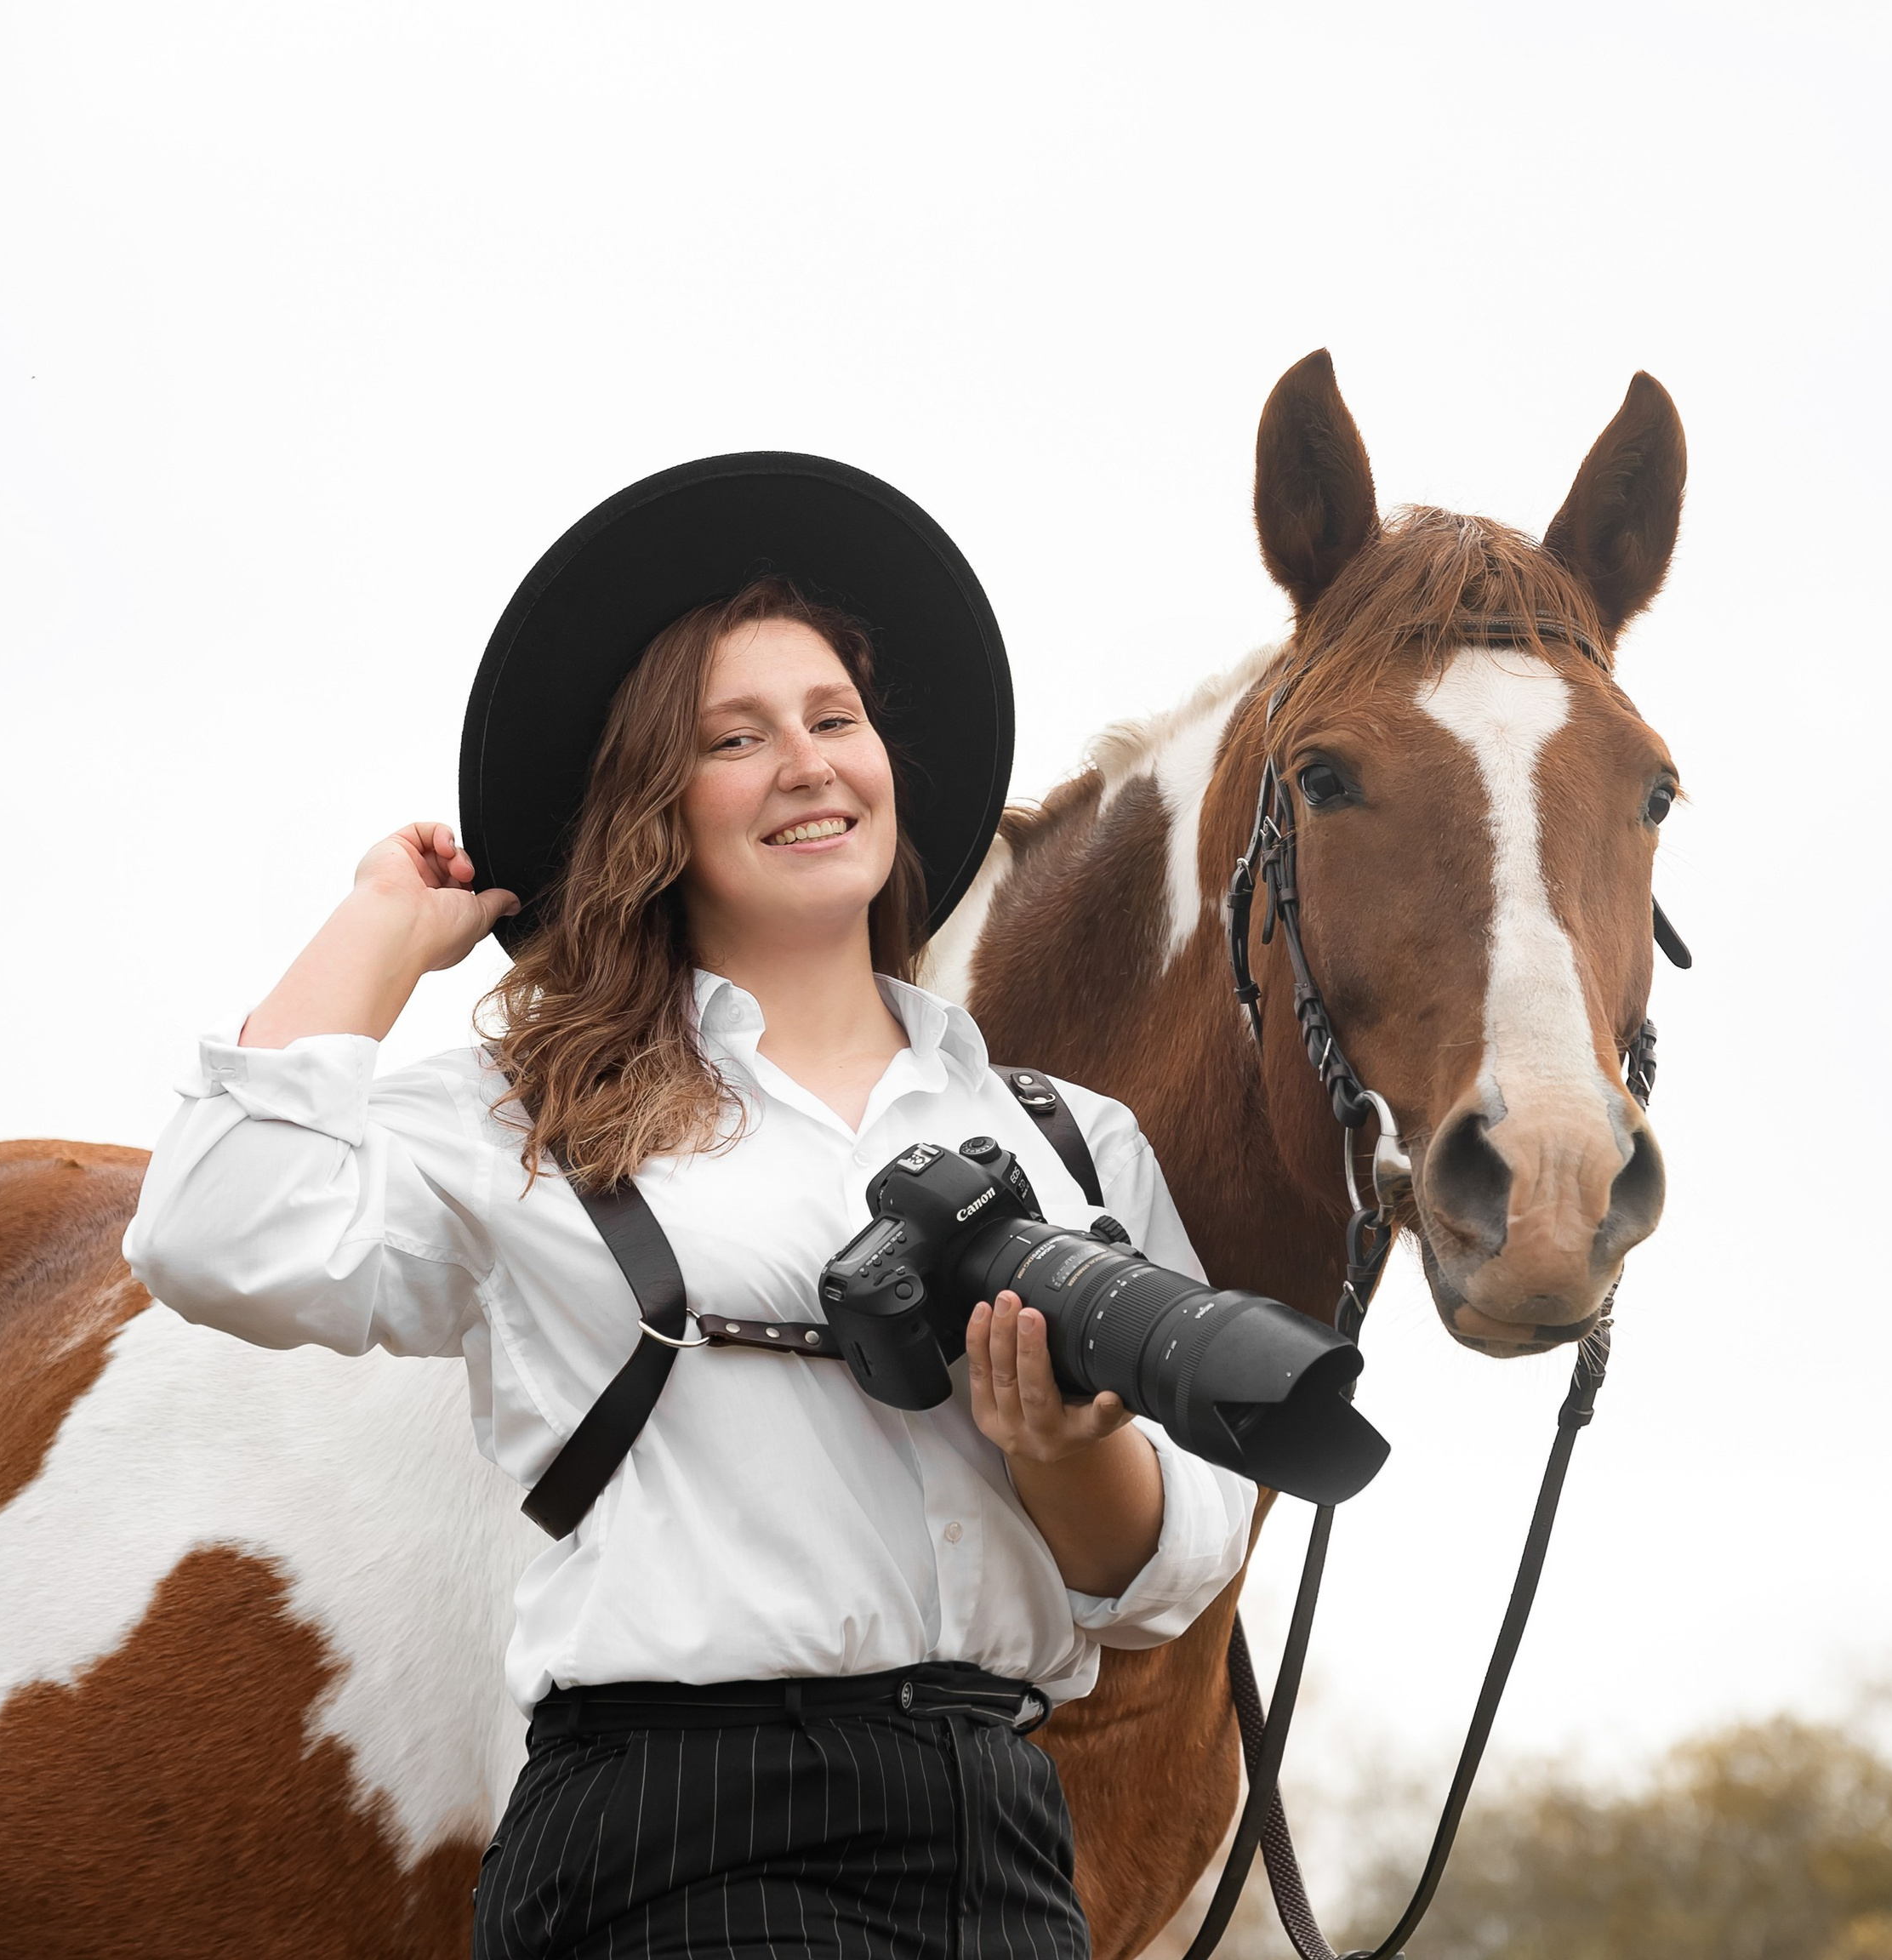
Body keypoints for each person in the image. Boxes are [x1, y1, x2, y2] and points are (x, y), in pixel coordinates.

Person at [123, 453, 1255, 1960]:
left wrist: (1068, 1454)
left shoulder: (1068, 1140)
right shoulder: (530, 1119)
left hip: (1002, 1829)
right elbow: (209, 1223)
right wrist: (382, 928)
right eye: (737, 737)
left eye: (834, 719)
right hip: (680, 1828)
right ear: (655, 806)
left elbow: (1169, 1577)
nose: (807, 762)